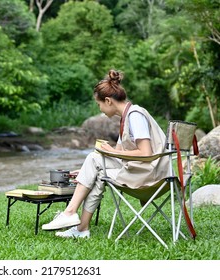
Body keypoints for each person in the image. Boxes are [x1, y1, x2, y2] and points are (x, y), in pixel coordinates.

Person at [41, 69, 169, 238]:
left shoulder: (135, 116)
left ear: (108, 101)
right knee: (96, 165)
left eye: (99, 104)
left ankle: (71, 214)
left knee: (96, 160)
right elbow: (129, 155)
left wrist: (112, 152)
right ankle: (81, 228)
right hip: (143, 171)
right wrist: (87, 171)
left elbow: (146, 153)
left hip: (152, 176)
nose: (100, 109)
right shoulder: (128, 116)